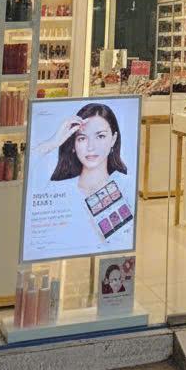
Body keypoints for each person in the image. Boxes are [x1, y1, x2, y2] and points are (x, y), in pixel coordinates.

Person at [26, 102, 134, 257]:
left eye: (100, 136)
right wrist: (53, 142)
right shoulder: (57, 189)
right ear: (73, 144)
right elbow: (21, 183)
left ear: (113, 139)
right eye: (82, 138)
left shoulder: (127, 185)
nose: (91, 147)